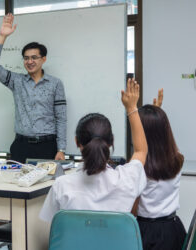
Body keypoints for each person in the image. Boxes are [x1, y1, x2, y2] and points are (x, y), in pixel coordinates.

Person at [39, 78, 148, 222]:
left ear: (77, 142)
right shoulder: (127, 180)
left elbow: (52, 228)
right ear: (111, 142)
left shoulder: (62, 185)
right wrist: (131, 108)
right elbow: (141, 151)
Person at [0, 13, 67, 163]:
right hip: (21, 146)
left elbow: (61, 118)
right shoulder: (17, 81)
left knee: (46, 186)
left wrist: (61, 149)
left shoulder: (56, 83)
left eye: (34, 57)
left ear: (43, 59)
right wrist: (2, 36)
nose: (29, 61)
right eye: (26, 58)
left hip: (47, 146)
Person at [135, 89, 186, 250]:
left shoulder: (138, 167)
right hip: (173, 229)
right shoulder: (177, 158)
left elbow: (131, 208)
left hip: (145, 231)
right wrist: (158, 116)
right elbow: (163, 138)